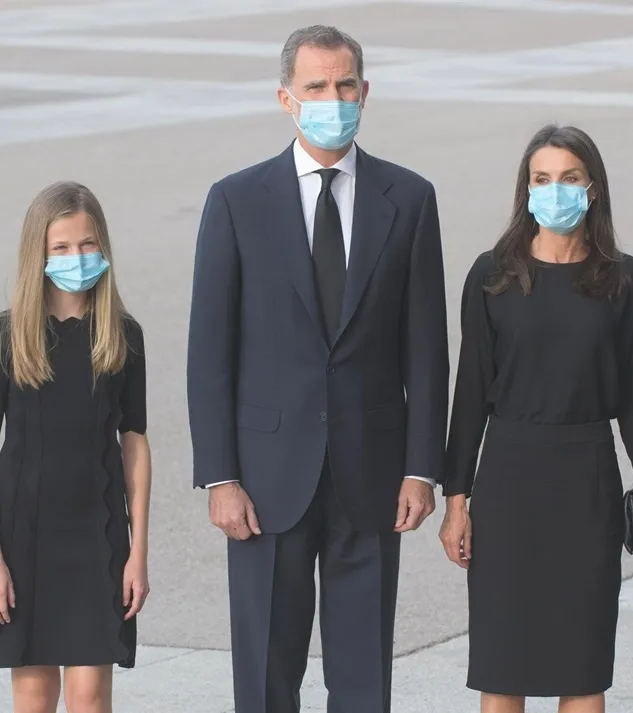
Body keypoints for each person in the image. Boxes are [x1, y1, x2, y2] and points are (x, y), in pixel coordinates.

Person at [186, 25, 449, 713]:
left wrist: (422, 466)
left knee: (364, 678)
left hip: (373, 472)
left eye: (344, 85)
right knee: (268, 675)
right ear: (286, 98)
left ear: (365, 92)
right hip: (265, 480)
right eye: (316, 87)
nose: (333, 98)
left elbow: (426, 347)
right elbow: (208, 353)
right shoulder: (236, 202)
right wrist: (220, 476)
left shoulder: (410, 200)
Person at [438, 124, 633, 713]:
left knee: (583, 665)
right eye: (542, 179)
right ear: (526, 189)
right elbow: (469, 396)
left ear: (592, 188)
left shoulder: (623, 279)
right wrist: (456, 500)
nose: (555, 190)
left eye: (569, 178)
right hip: (509, 481)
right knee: (503, 665)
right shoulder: (491, 275)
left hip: (586, 481)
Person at [0, 181, 151, 713]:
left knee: (91, 696)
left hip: (98, 535)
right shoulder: (4, 338)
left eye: (89, 244)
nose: (78, 257)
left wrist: (138, 551)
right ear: (38, 253)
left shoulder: (123, 336)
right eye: (62, 247)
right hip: (24, 535)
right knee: (34, 693)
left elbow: (135, 445)